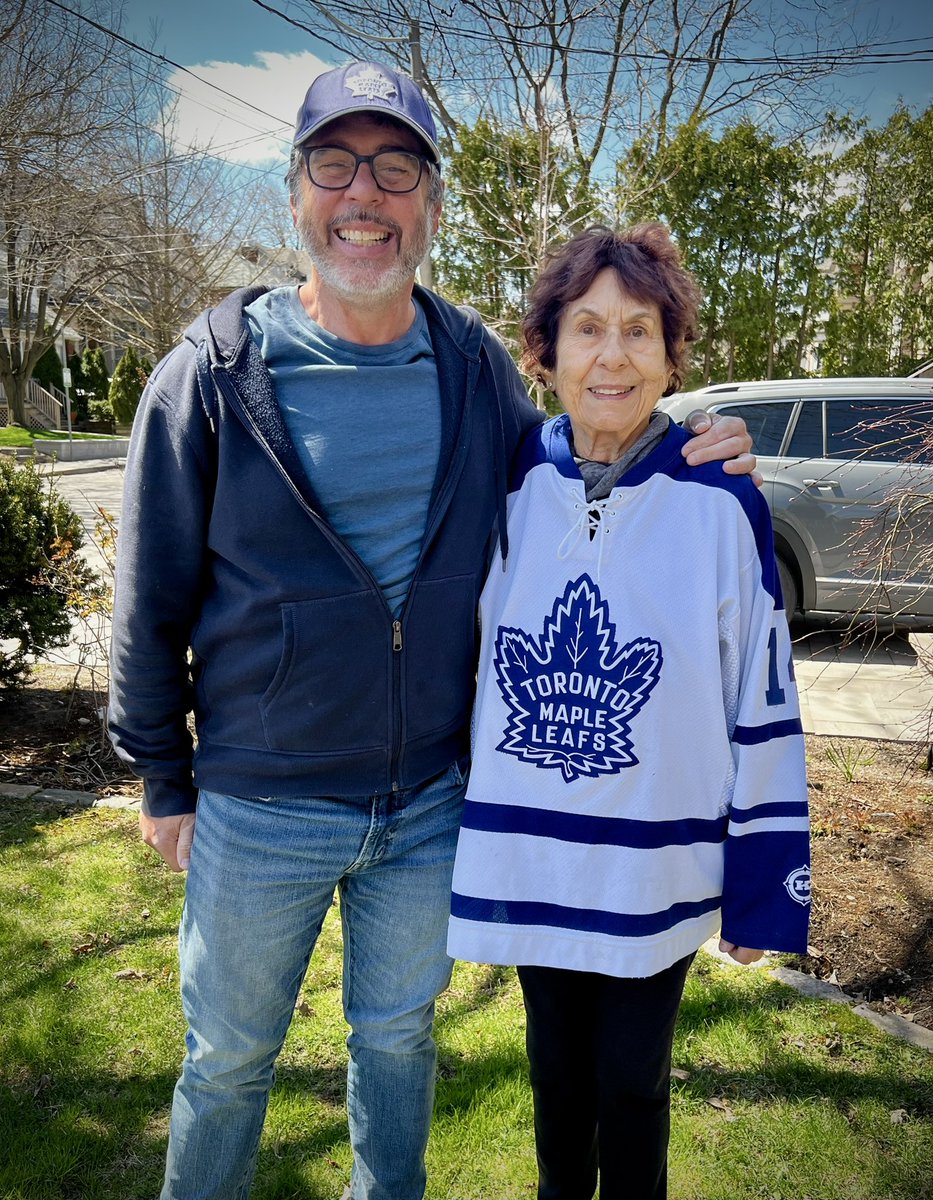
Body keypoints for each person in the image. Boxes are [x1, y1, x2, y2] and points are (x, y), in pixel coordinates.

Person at [107, 62, 756, 1200]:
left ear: (433, 205)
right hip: (263, 805)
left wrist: (710, 445)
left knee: (398, 1045)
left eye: (395, 166)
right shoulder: (208, 376)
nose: (365, 193)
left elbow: (587, 465)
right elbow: (148, 596)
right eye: (334, 163)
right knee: (227, 1063)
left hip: (425, 806)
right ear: (295, 194)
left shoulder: (475, 374)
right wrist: (164, 778)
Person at [447, 223, 811, 1200]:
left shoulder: (722, 498)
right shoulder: (505, 479)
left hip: (657, 866)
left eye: (639, 331)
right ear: (547, 350)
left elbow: (762, 695)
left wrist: (766, 882)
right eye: (587, 328)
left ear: (671, 355)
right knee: (556, 1083)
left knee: (632, 1088)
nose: (612, 355)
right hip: (535, 856)